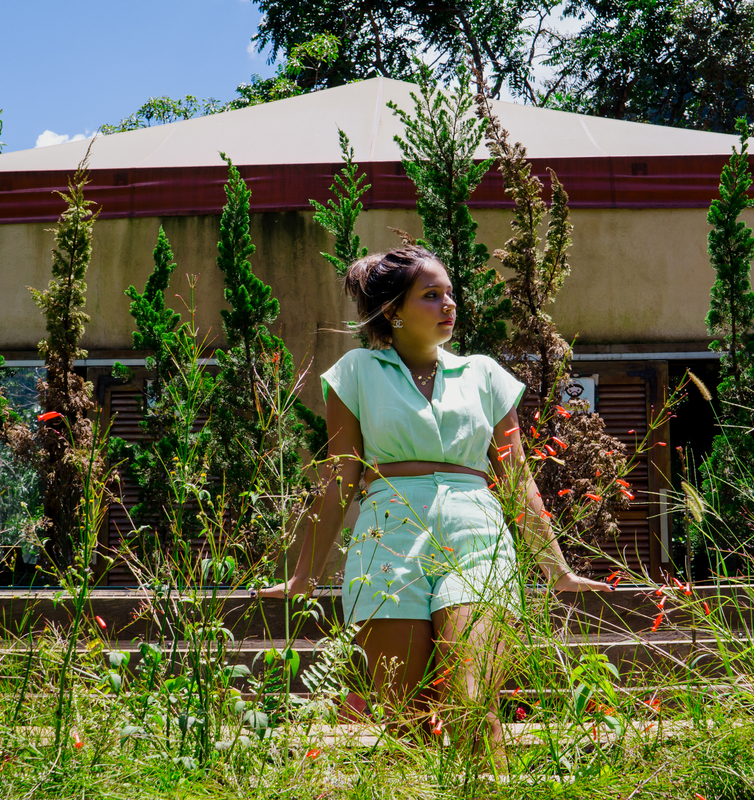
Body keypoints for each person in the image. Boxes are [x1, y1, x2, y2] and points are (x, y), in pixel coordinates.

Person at [259, 245, 610, 764]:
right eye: (431, 295)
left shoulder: (485, 375)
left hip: (477, 538)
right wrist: (304, 575)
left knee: (473, 708)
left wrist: (556, 568)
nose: (448, 305)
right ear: (393, 311)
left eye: (450, 294)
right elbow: (340, 478)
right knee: (405, 720)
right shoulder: (356, 371)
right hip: (387, 541)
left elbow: (516, 475)